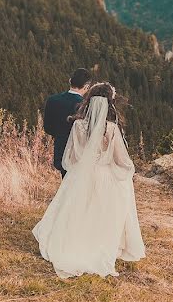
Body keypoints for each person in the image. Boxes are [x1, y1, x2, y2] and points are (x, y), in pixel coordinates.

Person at [32, 83, 146, 279]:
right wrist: (126, 171)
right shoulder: (110, 129)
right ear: (109, 104)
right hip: (104, 176)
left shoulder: (78, 125)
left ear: (89, 101)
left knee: (77, 210)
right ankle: (97, 243)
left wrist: (82, 169)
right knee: (100, 211)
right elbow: (121, 160)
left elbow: (72, 158)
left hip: (79, 174)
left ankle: (73, 243)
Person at [43, 68, 91, 177]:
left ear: (70, 81)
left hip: (61, 150)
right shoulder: (85, 105)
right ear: (87, 87)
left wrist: (61, 135)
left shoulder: (52, 100)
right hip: (80, 154)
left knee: (66, 185)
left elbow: (47, 128)